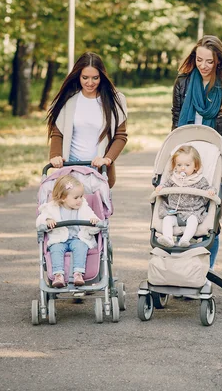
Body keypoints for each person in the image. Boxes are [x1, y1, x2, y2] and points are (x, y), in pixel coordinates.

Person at [171, 35, 222, 268]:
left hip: (215, 158)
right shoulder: (183, 83)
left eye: (209, 62)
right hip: (185, 157)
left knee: (210, 216)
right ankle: (179, 267)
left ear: (219, 62)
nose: (203, 66)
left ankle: (205, 269)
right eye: (199, 59)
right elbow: (175, 124)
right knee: (179, 210)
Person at [46, 52, 128, 188]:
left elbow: (121, 136)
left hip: (98, 167)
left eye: (95, 78)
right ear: (78, 76)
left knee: (96, 209)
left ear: (102, 76)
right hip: (70, 167)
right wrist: (55, 155)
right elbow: (57, 133)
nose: (90, 83)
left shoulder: (115, 100)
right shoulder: (69, 100)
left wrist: (107, 159)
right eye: (85, 77)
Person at [36, 175, 100, 288]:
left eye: (81, 196)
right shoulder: (51, 208)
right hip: (59, 239)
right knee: (55, 249)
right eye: (76, 198)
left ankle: (78, 273)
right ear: (63, 198)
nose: (80, 200)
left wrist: (94, 221)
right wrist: (47, 220)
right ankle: (58, 275)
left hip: (78, 238)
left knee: (81, 247)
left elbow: (95, 222)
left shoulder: (84, 207)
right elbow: (40, 221)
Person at [156, 145, 215, 248]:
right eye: (179, 165)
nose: (182, 168)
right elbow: (165, 188)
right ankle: (168, 239)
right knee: (167, 219)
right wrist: (161, 188)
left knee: (193, 221)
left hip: (192, 211)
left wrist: (210, 191)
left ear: (195, 166)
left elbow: (208, 188)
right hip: (174, 211)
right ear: (175, 165)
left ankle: (185, 239)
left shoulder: (200, 180)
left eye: (187, 165)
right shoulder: (173, 178)